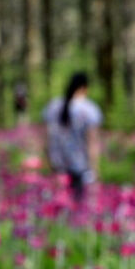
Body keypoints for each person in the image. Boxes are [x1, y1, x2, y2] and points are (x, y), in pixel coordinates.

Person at [43, 72, 102, 202]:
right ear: (84, 88)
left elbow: (47, 138)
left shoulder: (53, 106)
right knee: (78, 209)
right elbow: (92, 142)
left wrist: (48, 162)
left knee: (58, 207)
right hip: (79, 168)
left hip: (57, 166)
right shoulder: (89, 110)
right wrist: (95, 170)